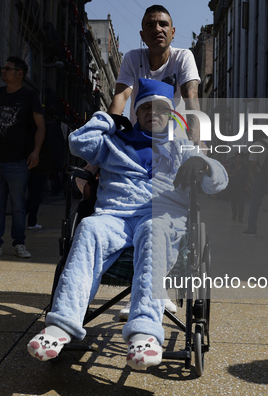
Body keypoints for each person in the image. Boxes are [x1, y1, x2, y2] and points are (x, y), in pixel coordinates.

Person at [26, 79, 228, 370]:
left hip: (160, 216)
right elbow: (78, 143)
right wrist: (107, 118)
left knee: (153, 230)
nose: (152, 113)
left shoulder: (182, 145)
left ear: (171, 113)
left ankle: (145, 332)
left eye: (160, 108)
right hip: (115, 215)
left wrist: (205, 165)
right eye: (145, 107)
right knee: (89, 228)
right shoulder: (115, 141)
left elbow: (218, 182)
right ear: (136, 111)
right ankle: (61, 325)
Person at [0, 56, 46, 259]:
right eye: (3, 67)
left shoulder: (29, 96)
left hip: (18, 161)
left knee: (18, 206)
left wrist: (36, 151)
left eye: (8, 68)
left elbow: (40, 126)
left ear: (20, 73)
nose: (3, 71)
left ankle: (19, 243)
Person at [107, 4, 201, 145]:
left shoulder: (184, 57)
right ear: (142, 35)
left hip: (175, 143)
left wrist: (196, 143)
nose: (157, 29)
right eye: (150, 25)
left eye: (163, 24)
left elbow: (191, 100)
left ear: (173, 32)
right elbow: (119, 98)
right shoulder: (132, 58)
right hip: (140, 143)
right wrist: (106, 135)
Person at [228, 154, 248, 222]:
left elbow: (248, 176)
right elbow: (226, 174)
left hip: (242, 187)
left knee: (241, 203)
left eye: (240, 158)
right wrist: (232, 175)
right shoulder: (232, 165)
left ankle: (240, 217)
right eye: (237, 158)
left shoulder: (245, 166)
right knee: (233, 202)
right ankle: (234, 215)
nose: (239, 160)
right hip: (233, 186)